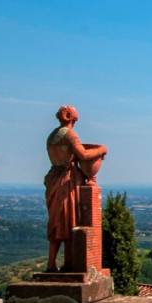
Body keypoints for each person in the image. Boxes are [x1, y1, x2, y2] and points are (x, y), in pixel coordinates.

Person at [44, 105, 107, 271]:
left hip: (53, 178)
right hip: (66, 180)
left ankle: (52, 264)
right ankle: (68, 264)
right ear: (71, 116)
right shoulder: (69, 134)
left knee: (56, 222)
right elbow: (84, 155)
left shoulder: (52, 135)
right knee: (68, 221)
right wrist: (102, 149)